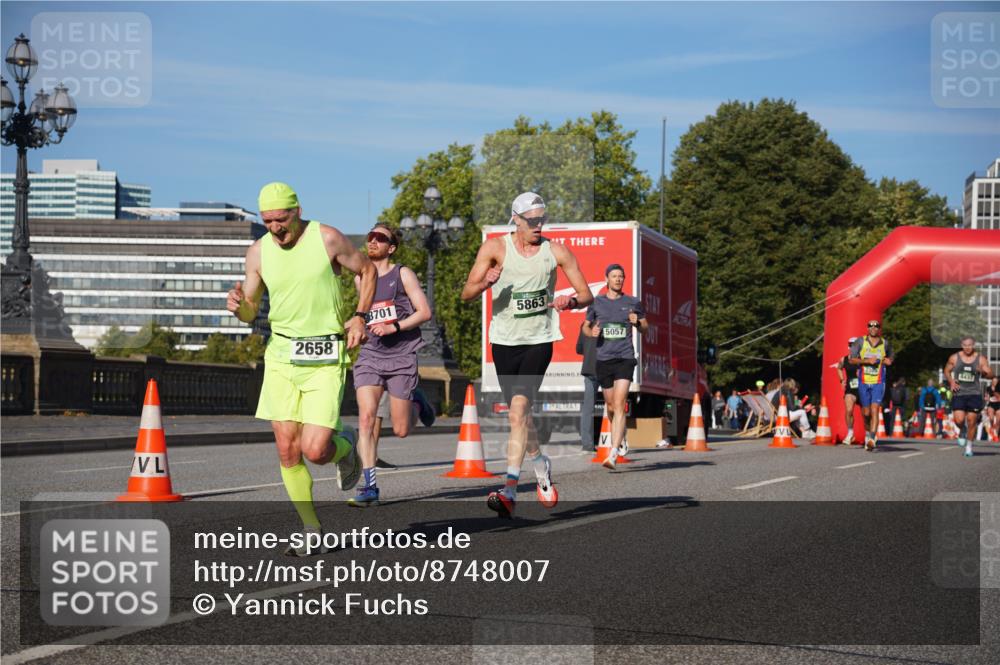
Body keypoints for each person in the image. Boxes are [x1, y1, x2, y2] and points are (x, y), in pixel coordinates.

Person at [228, 182, 376, 555]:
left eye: (281, 219)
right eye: (267, 221)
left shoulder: (326, 238)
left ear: (297, 211)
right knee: (286, 450)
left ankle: (345, 451)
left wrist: (359, 316)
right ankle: (312, 529)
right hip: (281, 357)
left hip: (324, 357)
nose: (275, 228)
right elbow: (250, 309)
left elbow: (368, 271)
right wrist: (238, 308)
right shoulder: (258, 252)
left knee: (314, 449)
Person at [460, 192, 592, 517]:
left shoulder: (555, 252)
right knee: (520, 417)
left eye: (542, 218)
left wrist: (570, 302)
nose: (539, 225)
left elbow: (586, 293)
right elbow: (466, 293)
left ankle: (509, 490)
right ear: (516, 219)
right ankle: (540, 463)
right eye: (532, 220)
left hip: (539, 340)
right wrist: (484, 284)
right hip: (504, 342)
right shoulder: (494, 248)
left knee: (518, 410)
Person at [349, 224, 432, 506]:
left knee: (400, 429)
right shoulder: (362, 279)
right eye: (369, 236)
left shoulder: (402, 274)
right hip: (371, 353)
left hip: (401, 355)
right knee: (366, 417)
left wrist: (395, 326)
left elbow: (425, 312)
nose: (372, 241)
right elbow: (364, 314)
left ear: (391, 247)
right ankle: (369, 485)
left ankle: (417, 403)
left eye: (380, 238)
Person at [583, 263, 648, 469]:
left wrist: (637, 321)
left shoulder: (632, 302)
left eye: (621, 276)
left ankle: (613, 451)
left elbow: (646, 328)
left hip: (625, 358)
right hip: (604, 360)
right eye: (614, 276)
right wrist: (591, 331)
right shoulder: (597, 302)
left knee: (620, 404)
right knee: (610, 406)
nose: (618, 279)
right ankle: (621, 434)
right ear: (607, 279)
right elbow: (585, 326)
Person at [944, 336, 995, 457]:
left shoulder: (980, 359)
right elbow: (947, 370)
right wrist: (951, 381)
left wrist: (982, 372)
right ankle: (962, 431)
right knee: (959, 420)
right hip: (959, 393)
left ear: (974, 345)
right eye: (965, 345)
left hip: (974, 394)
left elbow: (991, 374)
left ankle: (969, 447)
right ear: (962, 345)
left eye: (970, 345)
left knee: (972, 421)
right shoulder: (955, 357)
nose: (967, 348)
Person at [849, 319, 894, 451]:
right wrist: (867, 361)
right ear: (867, 328)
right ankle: (868, 433)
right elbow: (851, 359)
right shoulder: (860, 342)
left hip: (878, 382)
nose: (873, 328)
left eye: (876, 326)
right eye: (870, 326)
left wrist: (889, 361)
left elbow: (891, 357)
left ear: (879, 328)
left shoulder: (885, 343)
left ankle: (872, 438)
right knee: (866, 412)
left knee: (875, 409)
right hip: (864, 381)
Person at [576, 321, 600, 452]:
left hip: (589, 368)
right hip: (606, 367)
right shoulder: (609, 319)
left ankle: (587, 444)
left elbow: (579, 349)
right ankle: (616, 442)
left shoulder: (585, 324)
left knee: (588, 408)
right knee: (615, 405)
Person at [834, 337, 860, 445]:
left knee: (867, 413)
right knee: (849, 410)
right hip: (850, 388)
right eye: (851, 345)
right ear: (848, 346)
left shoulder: (863, 358)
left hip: (863, 388)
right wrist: (842, 380)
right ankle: (850, 433)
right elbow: (839, 368)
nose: (852, 347)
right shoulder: (844, 359)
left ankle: (869, 434)